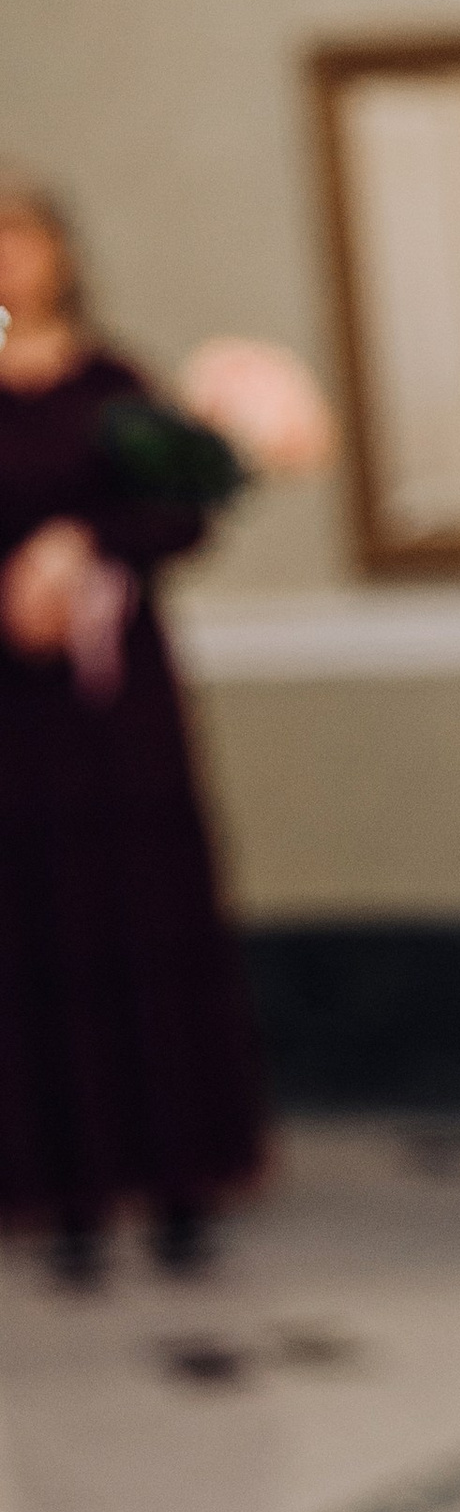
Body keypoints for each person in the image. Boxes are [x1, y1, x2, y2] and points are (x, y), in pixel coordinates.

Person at [0, 178, 267, 1284]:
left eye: (22, 241)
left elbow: (195, 501)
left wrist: (88, 543)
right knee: (34, 926)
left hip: (120, 706)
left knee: (144, 915)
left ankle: (177, 1179)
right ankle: (62, 1189)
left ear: (62, 254)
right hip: (13, 706)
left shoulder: (115, 383)